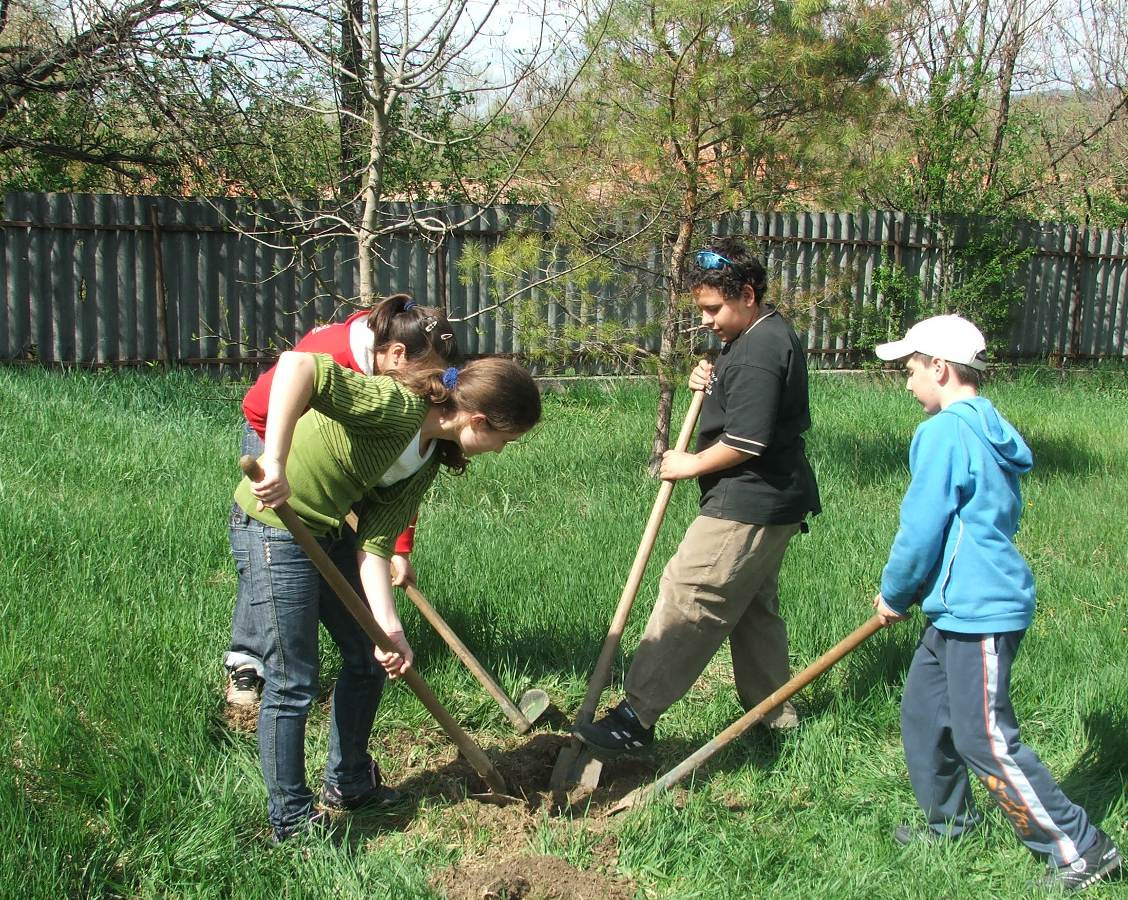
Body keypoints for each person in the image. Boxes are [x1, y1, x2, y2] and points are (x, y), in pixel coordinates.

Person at [230, 350, 541, 842]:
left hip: (328, 531)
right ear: (478, 420)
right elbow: (298, 367)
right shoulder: (396, 406)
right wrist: (274, 459)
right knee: (293, 680)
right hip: (273, 527)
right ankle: (290, 820)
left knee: (367, 656)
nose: (500, 451)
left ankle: (349, 783)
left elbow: (374, 543)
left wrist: (388, 628)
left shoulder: (427, 461)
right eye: (504, 440)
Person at [869, 314, 1122, 892]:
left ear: (939, 367)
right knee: (924, 717)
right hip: (955, 606)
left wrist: (895, 592)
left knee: (983, 737)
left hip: (978, 605)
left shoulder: (943, 432)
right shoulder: (985, 424)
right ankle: (948, 827)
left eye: (910, 369)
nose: (907, 383)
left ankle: (1079, 849)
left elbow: (921, 525)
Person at [574, 237, 820, 754]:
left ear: (747, 294)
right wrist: (712, 378)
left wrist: (690, 465)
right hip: (772, 498)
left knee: (691, 593)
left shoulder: (758, 349)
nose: (705, 320)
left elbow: (747, 441)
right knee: (753, 608)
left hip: (750, 499)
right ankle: (774, 718)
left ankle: (635, 718)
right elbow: (749, 404)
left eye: (713, 309)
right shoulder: (756, 337)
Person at [225, 294, 463, 707]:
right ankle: (246, 660)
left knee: (325, 551)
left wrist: (397, 548)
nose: (430, 391)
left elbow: (398, 472)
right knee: (272, 549)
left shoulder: (400, 388)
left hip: (337, 457)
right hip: (278, 430)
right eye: (426, 377)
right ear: (398, 354)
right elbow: (265, 404)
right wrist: (284, 463)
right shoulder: (336, 356)